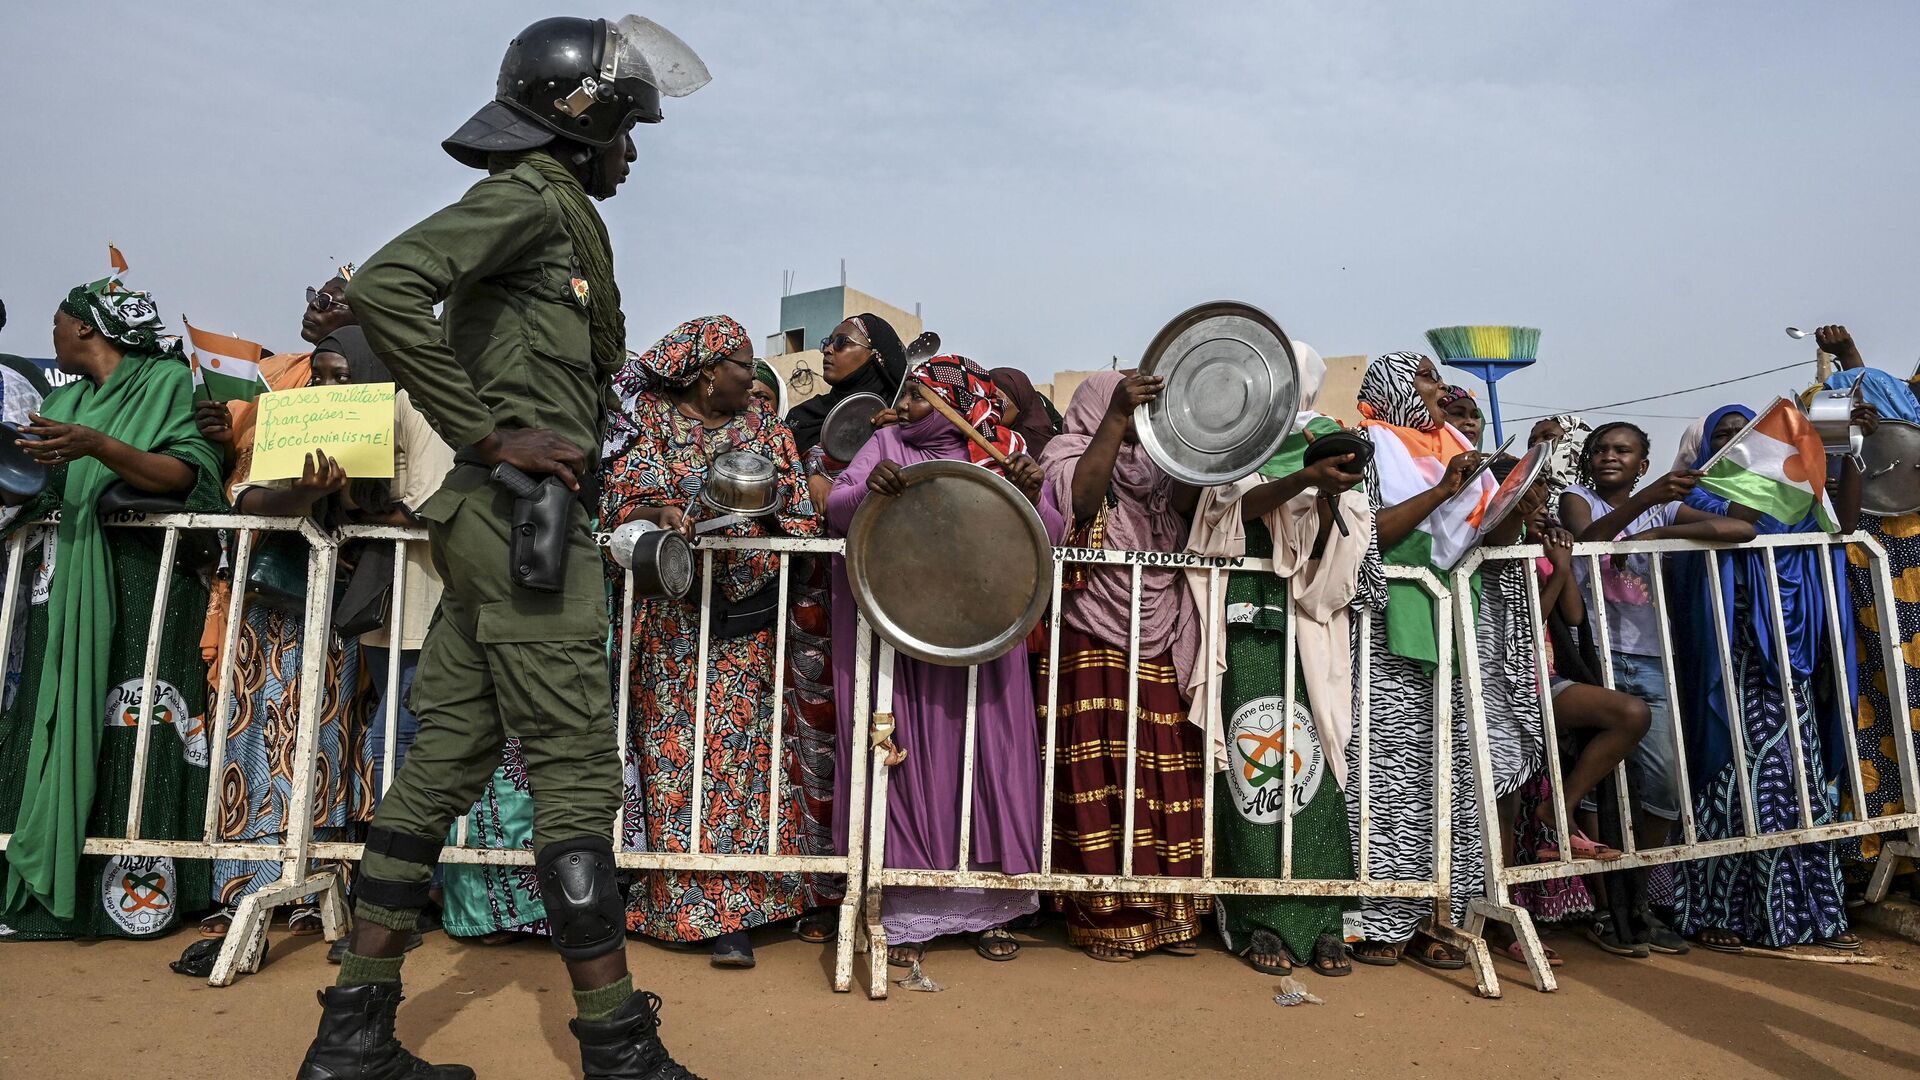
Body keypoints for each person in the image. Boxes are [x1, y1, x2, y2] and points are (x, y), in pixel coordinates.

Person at [297, 17, 712, 1080]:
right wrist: (487, 433)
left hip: (502, 527)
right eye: (630, 131)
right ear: (590, 125)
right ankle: (619, 1046)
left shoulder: (559, 214)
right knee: (575, 775)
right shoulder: (529, 199)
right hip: (524, 521)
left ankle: (352, 1034)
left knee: (440, 767)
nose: (635, 151)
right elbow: (387, 287)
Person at [0, 281, 225, 940]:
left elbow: (186, 475)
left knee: (136, 730)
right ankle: (41, 895)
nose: (54, 337)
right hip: (63, 582)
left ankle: (134, 898)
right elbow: (41, 488)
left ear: (88, 331)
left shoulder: (166, 383)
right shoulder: (65, 400)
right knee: (48, 718)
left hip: (146, 584)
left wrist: (97, 447)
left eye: (59, 324)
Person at [827, 355, 1062, 969]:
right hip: (901, 635)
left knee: (984, 759)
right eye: (906, 398)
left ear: (957, 407)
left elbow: (1049, 538)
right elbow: (838, 506)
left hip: (979, 642)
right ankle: (902, 906)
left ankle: (993, 904)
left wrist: (1032, 494)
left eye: (921, 400)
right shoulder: (884, 445)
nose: (904, 409)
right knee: (899, 759)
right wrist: (868, 493)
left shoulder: (1001, 456)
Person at [601, 315, 818, 968]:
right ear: (705, 372)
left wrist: (771, 517)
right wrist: (660, 512)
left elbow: (803, 515)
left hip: (745, 624)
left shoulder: (765, 428)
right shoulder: (654, 424)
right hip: (669, 627)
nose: (754, 378)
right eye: (743, 367)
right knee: (676, 762)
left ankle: (742, 911)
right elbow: (618, 501)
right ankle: (685, 903)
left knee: (742, 762)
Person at [1185, 340, 1373, 977]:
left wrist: (1324, 492)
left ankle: (1323, 919)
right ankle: (1257, 919)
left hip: (1305, 622)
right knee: (1247, 762)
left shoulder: (1332, 442)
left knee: (1313, 758)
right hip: (1240, 612)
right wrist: (1302, 480)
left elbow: (1341, 551)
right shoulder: (1229, 443)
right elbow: (1225, 513)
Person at [202, 329, 379, 942]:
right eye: (322, 375)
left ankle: (318, 881)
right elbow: (245, 498)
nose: (329, 387)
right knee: (252, 740)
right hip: (268, 613)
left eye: (343, 376)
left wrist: (350, 497)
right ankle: (243, 885)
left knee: (324, 740)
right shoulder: (283, 424)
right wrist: (305, 493)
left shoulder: (384, 434)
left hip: (338, 616)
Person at [1668, 403, 1863, 953]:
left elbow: (1841, 525)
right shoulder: (1696, 493)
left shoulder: (1794, 497)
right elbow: (1738, 526)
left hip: (1789, 665)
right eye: (1724, 435)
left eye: (1747, 433)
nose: (1735, 441)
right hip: (1726, 660)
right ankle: (1715, 912)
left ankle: (1805, 915)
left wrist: (1845, 448)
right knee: (1723, 785)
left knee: (1796, 785)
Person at [1346, 351, 1510, 969]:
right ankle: (1378, 919)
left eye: (1439, 378)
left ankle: (1445, 913)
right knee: (1384, 773)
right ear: (1390, 388)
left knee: (1450, 774)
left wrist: (1523, 485)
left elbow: (1484, 531)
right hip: (1387, 626)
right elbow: (1366, 535)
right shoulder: (1365, 444)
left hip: (1454, 622)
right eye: (1423, 380)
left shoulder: (1455, 445)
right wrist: (1447, 489)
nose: (1438, 390)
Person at [1036, 370, 1204, 962]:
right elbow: (1081, 501)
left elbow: (1190, 501)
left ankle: (1165, 910)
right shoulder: (1068, 451)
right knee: (1101, 766)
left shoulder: (1160, 465)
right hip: (1090, 631)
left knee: (1161, 767)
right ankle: (1105, 915)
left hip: (1156, 627)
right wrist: (1114, 418)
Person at [1558, 422, 1754, 867]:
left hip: (1650, 656)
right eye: (1601, 449)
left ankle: (1641, 881)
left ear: (1642, 464)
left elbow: (1741, 529)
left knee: (1666, 780)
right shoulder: (1578, 497)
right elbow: (1590, 541)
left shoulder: (1663, 515)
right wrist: (1649, 499)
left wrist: (1655, 534)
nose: (1610, 456)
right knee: (1601, 784)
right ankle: (1609, 897)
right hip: (1597, 652)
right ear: (1589, 460)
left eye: (1623, 451)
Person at [1817, 326, 1920, 885]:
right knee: (1881, 706)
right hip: (1873, 572)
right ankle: (1870, 846)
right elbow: (1837, 448)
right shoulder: (1859, 507)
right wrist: (1851, 365)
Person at [785, 313, 907, 457]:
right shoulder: (803, 418)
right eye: (827, 342)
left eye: (841, 342)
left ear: (876, 354)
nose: (827, 350)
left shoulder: (904, 418)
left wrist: (903, 435)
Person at [990, 365, 1061, 458]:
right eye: (986, 398)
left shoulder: (1063, 446)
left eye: (996, 398)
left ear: (1019, 398)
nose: (990, 404)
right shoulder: (988, 440)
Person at [1438, 384, 1485, 449]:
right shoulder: (1423, 455)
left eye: (1475, 416)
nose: (1470, 422)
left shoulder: (1490, 458)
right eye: (1458, 414)